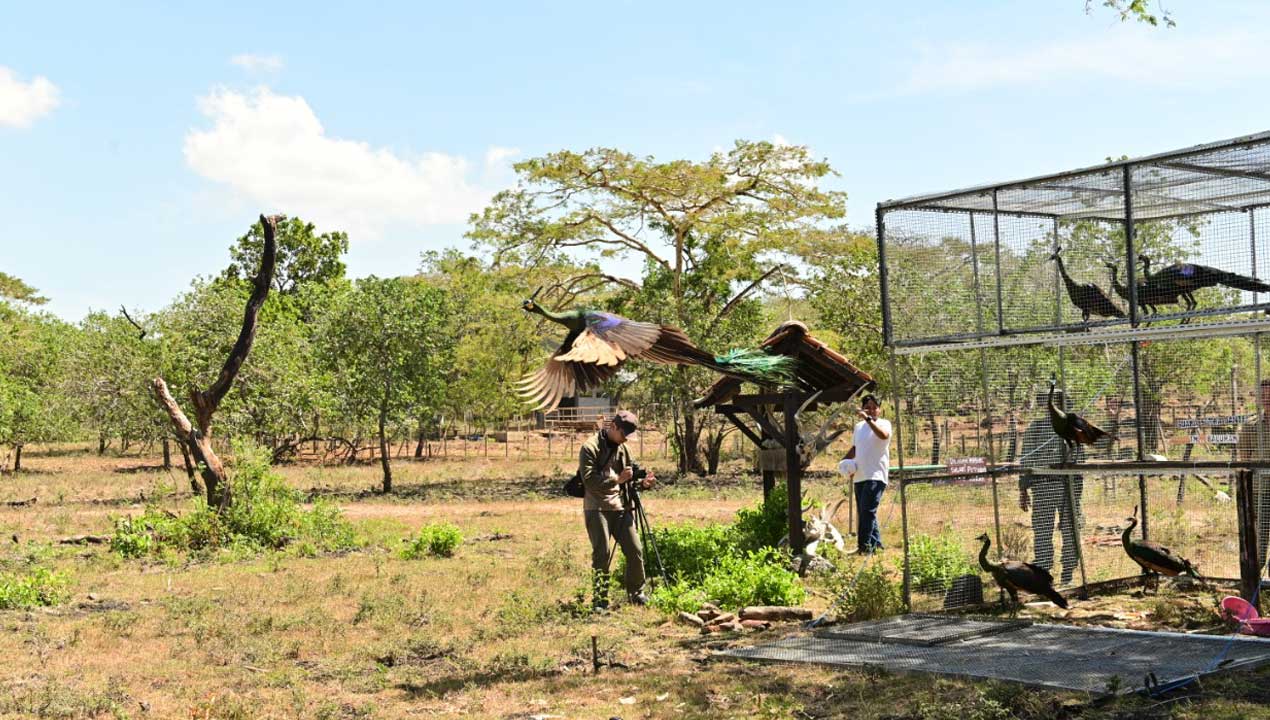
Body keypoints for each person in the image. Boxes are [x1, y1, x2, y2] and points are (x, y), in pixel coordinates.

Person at [579, 409, 656, 609]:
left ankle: (636, 593)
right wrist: (617, 479)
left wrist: (643, 484)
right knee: (602, 554)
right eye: (623, 435)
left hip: (621, 506)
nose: (625, 440)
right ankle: (600, 600)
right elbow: (588, 481)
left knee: (635, 549)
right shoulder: (590, 447)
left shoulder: (623, 449)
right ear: (613, 427)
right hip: (597, 507)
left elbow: (628, 482)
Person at [1018, 390, 1084, 585]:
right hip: (1043, 486)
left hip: (1068, 487)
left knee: (1071, 530)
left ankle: (1067, 575)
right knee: (1043, 531)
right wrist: (1023, 489)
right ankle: (1044, 573)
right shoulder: (1036, 428)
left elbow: (1081, 459)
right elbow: (1026, 459)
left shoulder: (1074, 427)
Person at [839, 394, 892, 554]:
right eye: (867, 408)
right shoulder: (858, 427)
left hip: (875, 475)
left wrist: (868, 420)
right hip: (860, 475)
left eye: (874, 407)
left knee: (867, 511)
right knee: (865, 511)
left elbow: (882, 436)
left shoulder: (884, 424)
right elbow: (855, 448)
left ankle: (863, 547)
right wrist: (842, 462)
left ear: (879, 410)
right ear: (862, 409)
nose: (870, 410)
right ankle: (876, 546)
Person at [1236, 379, 1270, 564]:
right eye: (1263, 395)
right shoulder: (1250, 425)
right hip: (1260, 490)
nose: (1267, 399)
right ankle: (1258, 581)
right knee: (1260, 536)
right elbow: (1244, 459)